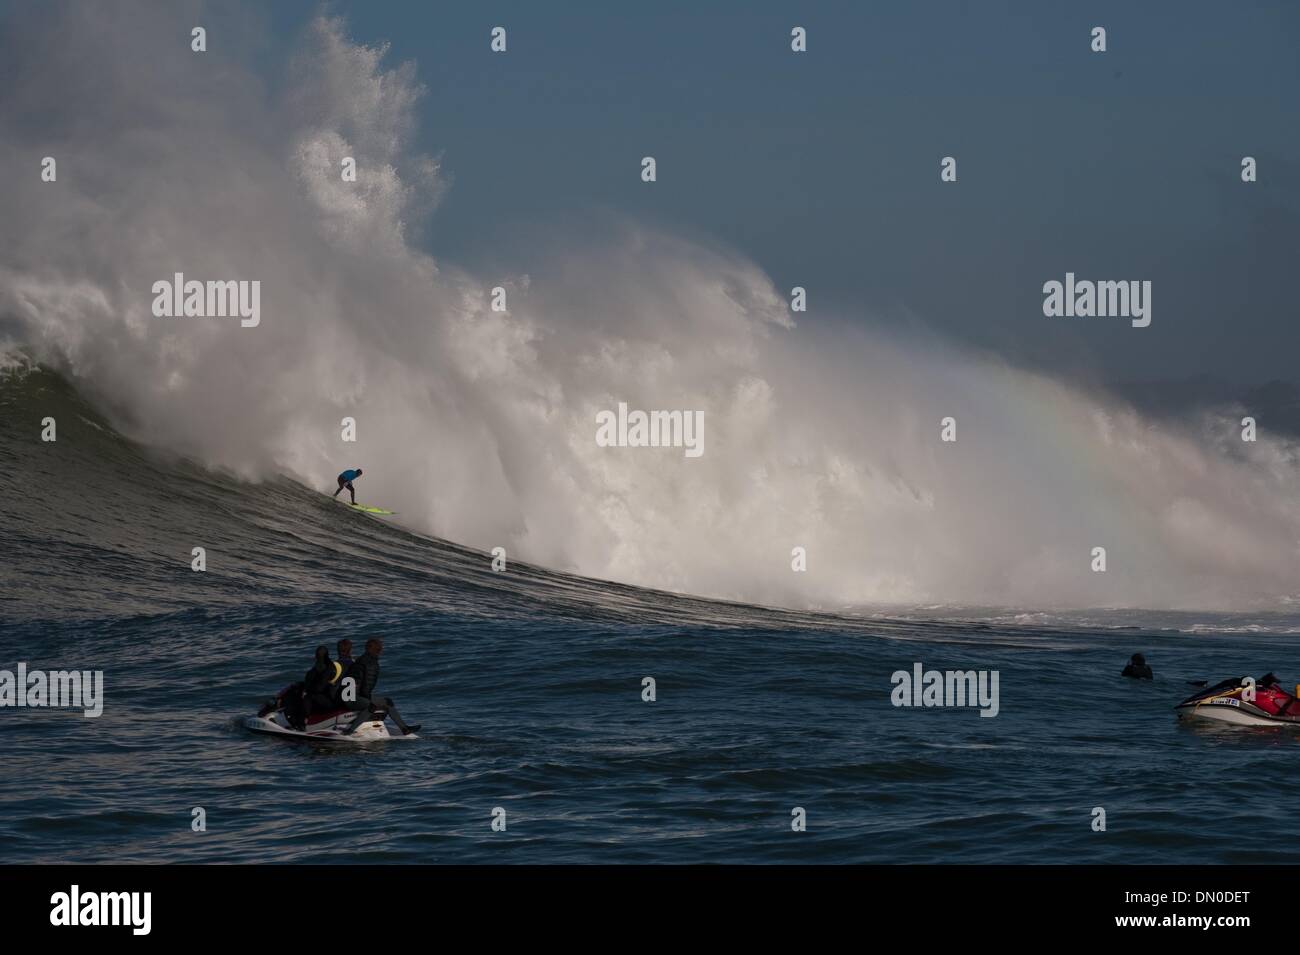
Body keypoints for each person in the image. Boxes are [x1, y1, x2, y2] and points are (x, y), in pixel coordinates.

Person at [340, 638, 420, 736]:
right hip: (350, 697)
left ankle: (404, 729)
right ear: (378, 650)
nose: (382, 650)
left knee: (387, 702)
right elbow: (366, 687)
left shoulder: (363, 659)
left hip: (353, 695)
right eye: (381, 649)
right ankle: (350, 731)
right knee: (372, 706)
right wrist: (370, 700)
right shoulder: (370, 663)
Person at [303, 645, 342, 719]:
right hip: (335, 698)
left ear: (316, 656)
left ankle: (306, 720)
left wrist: (307, 690)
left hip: (328, 702)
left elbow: (319, 688)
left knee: (307, 696)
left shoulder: (315, 670)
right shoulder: (333, 666)